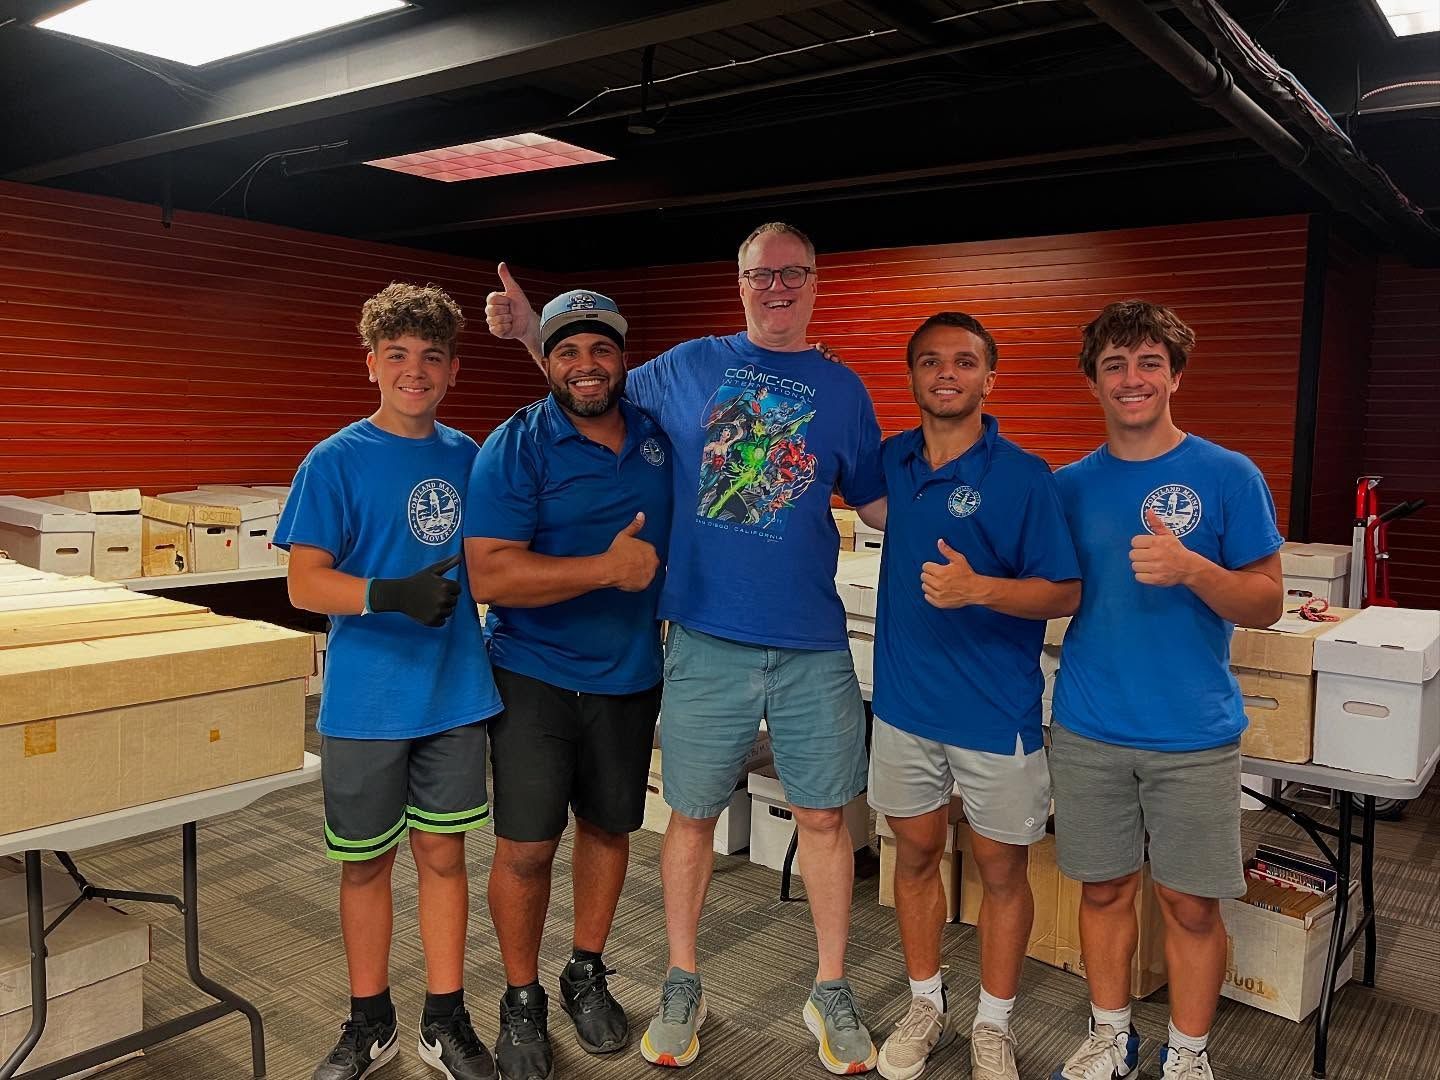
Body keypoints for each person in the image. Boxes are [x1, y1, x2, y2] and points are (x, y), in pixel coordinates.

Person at [485, 223, 888, 1074]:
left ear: (816, 282)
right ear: (739, 284)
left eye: (792, 273)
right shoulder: (688, 365)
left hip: (812, 642)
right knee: (692, 819)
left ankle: (832, 986)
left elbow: (885, 506)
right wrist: (531, 334)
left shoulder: (846, 390)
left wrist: (983, 502)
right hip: (705, 639)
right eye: (759, 274)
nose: (776, 286)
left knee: (823, 817)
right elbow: (586, 385)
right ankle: (682, 978)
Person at [1047, 300, 1283, 1080]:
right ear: (1095, 383)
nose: (1132, 378)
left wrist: (1194, 569)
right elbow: (1051, 590)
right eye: (1114, 364)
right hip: (1089, 726)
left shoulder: (1227, 475)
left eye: (1149, 362)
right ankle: (1112, 1036)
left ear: (1175, 375)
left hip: (1192, 732)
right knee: (1106, 891)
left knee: (1190, 904)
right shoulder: (1070, 486)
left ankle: (1188, 1053)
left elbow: (1267, 601)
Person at [278, 282, 504, 1080]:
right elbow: (304, 584)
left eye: (432, 357)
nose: (415, 371)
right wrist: (387, 594)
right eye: (399, 355)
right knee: (366, 862)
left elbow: (498, 558)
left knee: (445, 859)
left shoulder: (471, 457)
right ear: (372, 362)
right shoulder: (333, 461)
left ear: (451, 371)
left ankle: (446, 1020)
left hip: (452, 696)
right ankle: (368, 1022)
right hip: (367, 703)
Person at [464, 289, 673, 1079]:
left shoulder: (657, 438)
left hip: (629, 676)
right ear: (547, 362)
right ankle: (522, 999)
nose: (586, 366)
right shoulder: (516, 445)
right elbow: (489, 572)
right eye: (567, 352)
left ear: (623, 357)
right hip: (533, 677)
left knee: (610, 829)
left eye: (601, 350)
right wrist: (605, 570)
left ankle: (585, 970)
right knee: (524, 848)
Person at [867, 313, 1080, 1080]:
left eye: (963, 362)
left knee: (1000, 871)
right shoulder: (891, 460)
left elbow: (1064, 592)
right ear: (914, 376)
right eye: (930, 361)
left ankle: (995, 1023)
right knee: (917, 854)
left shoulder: (1024, 476)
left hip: (996, 714)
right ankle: (927, 1004)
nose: (946, 373)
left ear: (991, 378)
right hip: (903, 708)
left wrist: (977, 589)